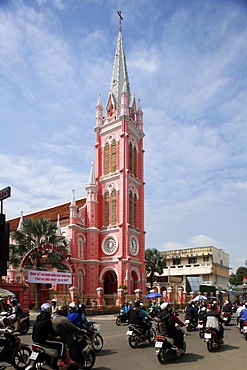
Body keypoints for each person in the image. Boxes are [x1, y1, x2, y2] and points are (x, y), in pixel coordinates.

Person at [32, 302, 69, 368]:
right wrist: (58, 335)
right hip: (43, 340)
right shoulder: (47, 321)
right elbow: (52, 333)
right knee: (62, 344)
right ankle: (60, 360)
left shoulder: (38, 319)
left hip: (35, 339)